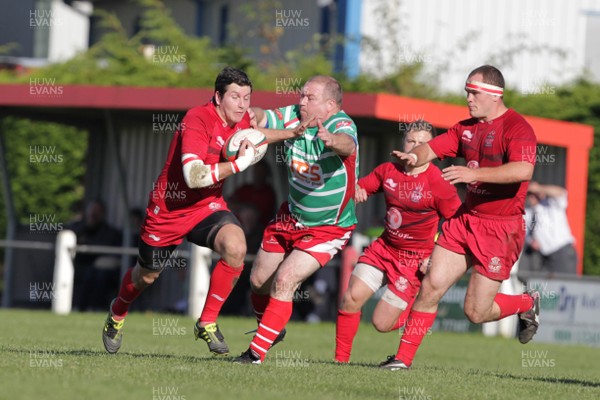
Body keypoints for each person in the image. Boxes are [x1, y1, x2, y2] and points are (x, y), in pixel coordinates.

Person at [387, 65, 539, 370]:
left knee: (476, 312)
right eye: (467, 91)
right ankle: (401, 361)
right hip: (465, 220)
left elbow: (523, 170)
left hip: (501, 229)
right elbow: (432, 148)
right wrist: (413, 157)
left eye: (474, 92)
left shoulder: (518, 128)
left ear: (495, 95)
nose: (468, 98)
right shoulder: (466, 128)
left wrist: (473, 173)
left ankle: (527, 303)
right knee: (431, 286)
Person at [102, 66, 258, 355]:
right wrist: (240, 164)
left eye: (246, 97)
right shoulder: (197, 118)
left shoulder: (244, 117)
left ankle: (207, 321)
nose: (242, 104)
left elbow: (261, 121)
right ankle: (118, 311)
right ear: (217, 97)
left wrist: (294, 131)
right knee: (146, 277)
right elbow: (194, 177)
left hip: (205, 206)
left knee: (236, 247)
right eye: (235, 97)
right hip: (169, 209)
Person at [234, 75, 359, 364]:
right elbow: (268, 117)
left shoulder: (341, 124)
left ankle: (254, 354)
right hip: (291, 217)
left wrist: (330, 140)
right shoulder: (293, 115)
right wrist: (255, 115)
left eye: (309, 98)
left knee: (285, 279)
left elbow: (348, 144)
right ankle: (272, 328)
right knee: (257, 281)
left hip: (328, 228)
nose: (301, 102)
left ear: (330, 105)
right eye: (301, 96)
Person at [334, 121, 462, 363]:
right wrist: (359, 190)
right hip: (384, 249)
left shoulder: (438, 182)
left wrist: (434, 256)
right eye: (411, 141)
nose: (415, 147)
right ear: (403, 144)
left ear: (431, 148)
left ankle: (418, 315)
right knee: (351, 298)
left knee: (381, 324)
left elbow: (455, 222)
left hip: (413, 261)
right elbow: (362, 187)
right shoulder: (388, 171)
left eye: (422, 143)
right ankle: (340, 362)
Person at [70, 199, 122, 311]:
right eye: (92, 210)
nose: (93, 214)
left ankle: (93, 308)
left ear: (102, 213)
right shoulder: (78, 228)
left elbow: (104, 250)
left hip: (99, 269)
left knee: (98, 275)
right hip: (77, 265)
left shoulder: (109, 232)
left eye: (97, 211)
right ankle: (76, 308)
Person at [524, 181, 577, 274]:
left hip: (562, 252)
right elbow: (525, 233)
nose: (532, 197)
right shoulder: (528, 212)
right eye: (529, 194)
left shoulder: (552, 205)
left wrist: (537, 188)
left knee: (566, 285)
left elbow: (561, 192)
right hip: (543, 256)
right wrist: (531, 241)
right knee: (543, 286)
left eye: (534, 194)